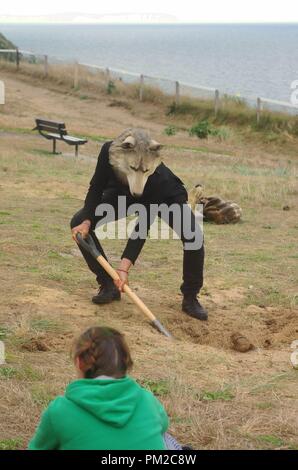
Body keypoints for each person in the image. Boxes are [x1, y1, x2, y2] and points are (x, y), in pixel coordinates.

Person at [71, 129, 207, 321]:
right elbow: (96, 187)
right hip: (123, 192)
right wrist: (87, 221)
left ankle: (191, 297)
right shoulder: (108, 151)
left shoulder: (157, 175)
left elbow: (144, 223)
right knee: (78, 222)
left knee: (194, 237)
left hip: (164, 195)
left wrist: (124, 267)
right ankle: (108, 284)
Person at [28, 326, 182, 450]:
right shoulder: (147, 399)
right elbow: (162, 427)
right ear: (126, 364)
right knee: (166, 438)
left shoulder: (60, 410)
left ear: (79, 362)